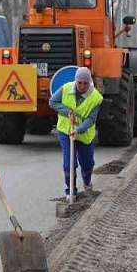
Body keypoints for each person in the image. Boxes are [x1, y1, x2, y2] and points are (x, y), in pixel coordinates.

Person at [49, 67, 103, 196]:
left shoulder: (96, 98)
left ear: (90, 82)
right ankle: (70, 191)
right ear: (75, 81)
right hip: (65, 132)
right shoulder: (66, 88)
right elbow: (53, 102)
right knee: (69, 164)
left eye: (85, 83)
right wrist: (68, 112)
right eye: (79, 83)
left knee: (87, 164)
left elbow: (91, 119)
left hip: (84, 135)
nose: (82, 86)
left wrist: (78, 129)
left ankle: (87, 183)